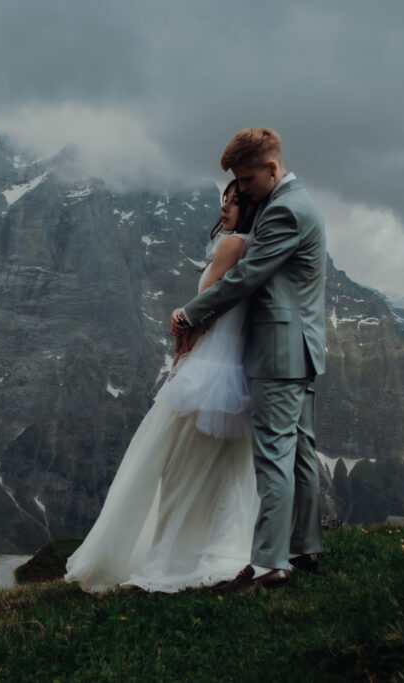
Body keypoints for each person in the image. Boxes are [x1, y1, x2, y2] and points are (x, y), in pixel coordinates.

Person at [64, 180, 261, 593]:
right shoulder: (254, 245)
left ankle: (170, 559)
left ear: (252, 204)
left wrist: (181, 322)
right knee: (226, 474)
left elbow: (206, 306)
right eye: (224, 199)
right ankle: (217, 552)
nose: (225, 207)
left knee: (177, 470)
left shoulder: (233, 245)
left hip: (210, 366)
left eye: (236, 200)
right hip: (237, 371)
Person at [170, 127, 326, 591]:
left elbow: (247, 278)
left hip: (278, 351)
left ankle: (270, 564)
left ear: (272, 168)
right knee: (299, 451)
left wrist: (190, 314)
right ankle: (305, 545)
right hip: (300, 347)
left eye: (247, 178)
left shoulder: (283, 211)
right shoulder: (300, 204)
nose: (242, 190)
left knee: (274, 456)